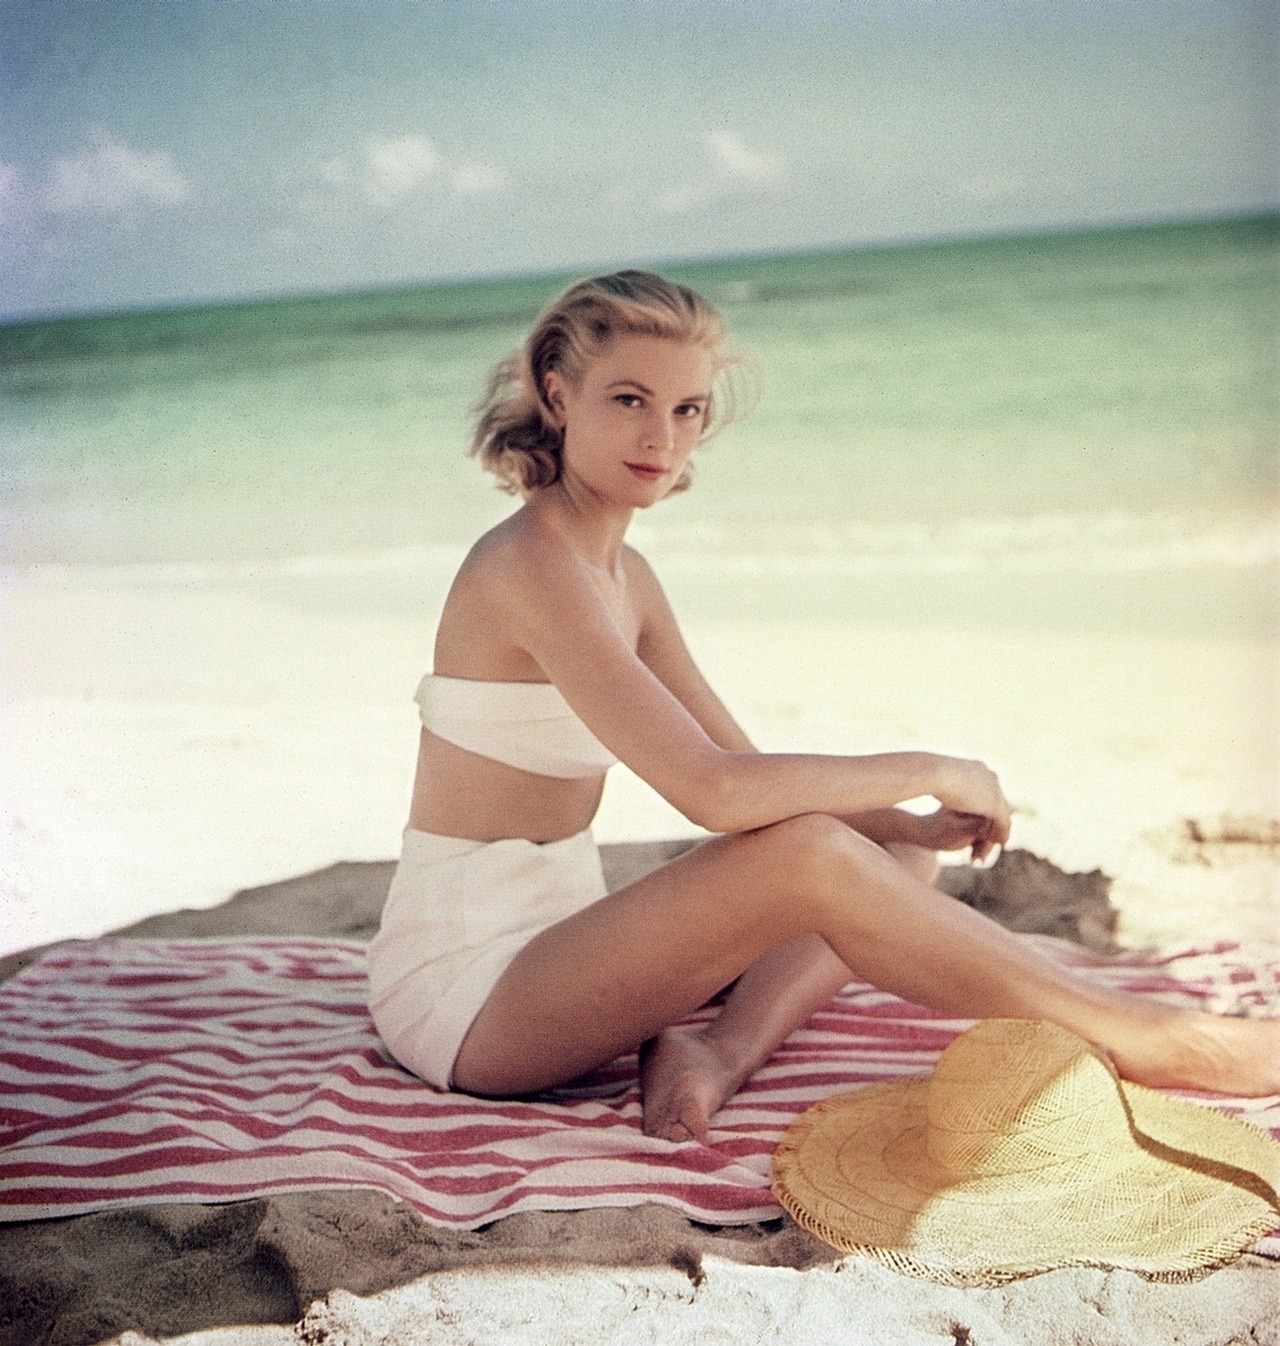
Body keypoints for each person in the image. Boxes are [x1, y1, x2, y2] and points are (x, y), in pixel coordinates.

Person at [368, 271, 1279, 1143]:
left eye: (688, 410)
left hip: (565, 946)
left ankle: (718, 1053)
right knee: (812, 852)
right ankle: (1149, 1037)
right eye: (630, 399)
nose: (662, 437)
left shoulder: (627, 579)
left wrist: (904, 824)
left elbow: (746, 770)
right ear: (558, 394)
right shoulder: (530, 563)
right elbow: (714, 793)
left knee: (888, 856)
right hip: (471, 997)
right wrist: (933, 767)